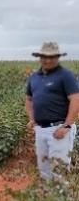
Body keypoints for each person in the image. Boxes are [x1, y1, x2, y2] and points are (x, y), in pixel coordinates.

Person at [25, 41, 79, 180]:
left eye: (52, 57)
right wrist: (32, 119)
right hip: (41, 130)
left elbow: (75, 99)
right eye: (45, 56)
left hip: (59, 129)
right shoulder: (34, 77)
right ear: (40, 57)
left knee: (59, 173)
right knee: (44, 172)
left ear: (57, 57)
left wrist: (67, 126)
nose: (48, 60)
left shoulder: (65, 75)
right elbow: (29, 99)